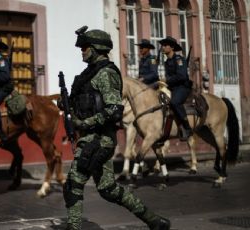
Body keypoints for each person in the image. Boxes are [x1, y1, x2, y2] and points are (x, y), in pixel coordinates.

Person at [63, 25, 170, 230]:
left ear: (95, 48)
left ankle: (73, 226)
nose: (82, 51)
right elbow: (89, 102)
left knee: (73, 183)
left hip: (99, 139)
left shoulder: (105, 74)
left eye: (85, 47)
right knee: (108, 189)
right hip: (92, 138)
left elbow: (113, 110)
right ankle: (154, 221)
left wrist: (85, 123)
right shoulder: (89, 74)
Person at [159, 36, 193, 141]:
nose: (163, 47)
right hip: (172, 87)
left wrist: (167, 80)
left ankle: (187, 128)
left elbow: (182, 76)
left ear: (172, 47)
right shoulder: (166, 62)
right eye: (162, 45)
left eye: (165, 45)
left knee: (175, 102)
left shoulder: (179, 59)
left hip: (182, 87)